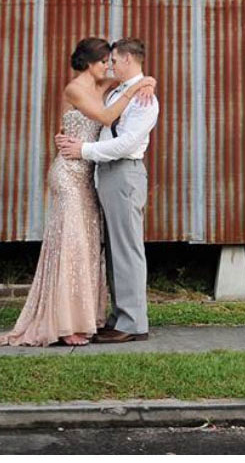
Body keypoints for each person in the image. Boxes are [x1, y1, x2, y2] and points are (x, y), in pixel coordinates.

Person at [0, 37, 155, 347]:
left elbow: (121, 123)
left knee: (89, 248)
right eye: (105, 61)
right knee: (72, 246)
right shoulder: (80, 88)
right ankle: (66, 321)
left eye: (113, 60)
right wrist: (135, 86)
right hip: (71, 174)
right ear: (90, 64)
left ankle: (98, 319)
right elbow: (104, 118)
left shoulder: (110, 88)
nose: (109, 65)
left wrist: (147, 81)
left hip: (94, 171)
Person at [56, 37, 159, 343]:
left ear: (127, 59)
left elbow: (126, 142)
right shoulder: (119, 89)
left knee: (127, 249)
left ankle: (132, 323)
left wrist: (84, 150)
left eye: (114, 60)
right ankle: (120, 316)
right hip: (107, 174)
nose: (110, 65)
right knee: (115, 250)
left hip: (124, 172)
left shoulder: (145, 99)